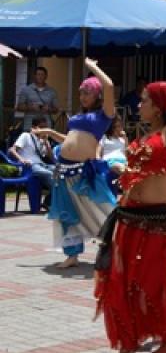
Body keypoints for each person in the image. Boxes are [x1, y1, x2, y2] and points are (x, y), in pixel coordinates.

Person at [93, 31, 166, 353]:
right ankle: (127, 341)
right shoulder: (144, 137)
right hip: (128, 218)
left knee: (156, 283)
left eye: (144, 100)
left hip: (159, 220)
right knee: (122, 282)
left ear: (159, 107)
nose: (138, 104)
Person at [33, 58, 116, 268]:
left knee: (104, 210)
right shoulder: (79, 116)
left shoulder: (104, 115)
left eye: (87, 92)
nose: (83, 96)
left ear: (97, 95)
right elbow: (71, 139)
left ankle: (116, 248)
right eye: (81, 92)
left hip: (84, 173)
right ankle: (72, 255)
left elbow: (109, 86)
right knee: (67, 215)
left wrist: (94, 68)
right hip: (64, 171)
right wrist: (50, 132)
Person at [9, 116, 55, 209]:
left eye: (45, 128)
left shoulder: (42, 140)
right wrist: (22, 159)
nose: (44, 130)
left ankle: (48, 201)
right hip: (29, 166)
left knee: (60, 172)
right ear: (34, 128)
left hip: (41, 165)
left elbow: (52, 158)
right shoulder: (26, 136)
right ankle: (50, 202)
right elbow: (12, 150)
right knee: (50, 175)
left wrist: (46, 142)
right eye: (41, 127)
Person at [16, 66, 59, 131]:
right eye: (38, 74)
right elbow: (19, 107)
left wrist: (48, 109)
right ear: (34, 76)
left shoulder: (52, 91)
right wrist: (31, 107)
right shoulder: (26, 90)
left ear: (46, 76)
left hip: (46, 126)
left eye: (42, 74)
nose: (40, 77)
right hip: (29, 125)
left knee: (45, 141)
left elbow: (56, 110)